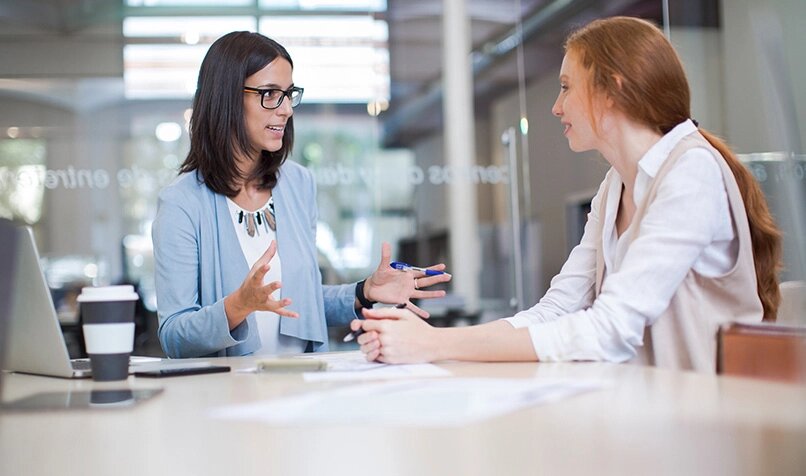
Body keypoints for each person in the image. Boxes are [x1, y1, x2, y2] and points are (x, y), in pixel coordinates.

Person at [351, 16, 782, 372]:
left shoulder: (692, 172)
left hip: (709, 423)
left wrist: (432, 344)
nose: (557, 107)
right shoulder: (615, 186)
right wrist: (430, 341)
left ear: (610, 90)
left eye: (565, 86)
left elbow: (611, 328)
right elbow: (556, 310)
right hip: (648, 409)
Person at [152, 31, 450, 358]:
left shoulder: (297, 183)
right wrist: (237, 306)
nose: (285, 110)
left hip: (301, 386)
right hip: (229, 396)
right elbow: (173, 337)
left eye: (288, 94)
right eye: (269, 94)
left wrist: (365, 292)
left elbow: (301, 301)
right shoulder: (182, 203)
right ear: (225, 97)